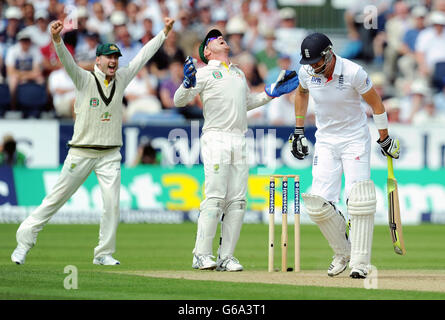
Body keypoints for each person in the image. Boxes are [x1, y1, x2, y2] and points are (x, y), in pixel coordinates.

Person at [11, 17, 175, 265]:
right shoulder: (85, 79)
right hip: (82, 152)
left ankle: (104, 253)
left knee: (112, 205)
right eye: (109, 57)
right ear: (98, 60)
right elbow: (67, 62)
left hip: (110, 154)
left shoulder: (122, 78)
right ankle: (23, 243)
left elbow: (142, 56)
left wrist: (163, 33)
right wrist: (57, 40)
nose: (113, 61)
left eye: (116, 58)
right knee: (54, 200)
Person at [174, 28, 299, 271]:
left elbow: (247, 103)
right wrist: (186, 84)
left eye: (220, 36)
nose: (220, 37)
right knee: (215, 197)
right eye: (213, 39)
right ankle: (201, 254)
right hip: (216, 137)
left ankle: (226, 256)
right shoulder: (204, 73)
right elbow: (180, 100)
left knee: (238, 201)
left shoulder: (239, 73)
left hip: (239, 138)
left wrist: (271, 93)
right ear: (207, 52)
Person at [289, 33, 400, 279]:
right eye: (310, 63)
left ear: (329, 54)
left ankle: (360, 263)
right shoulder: (306, 72)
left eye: (318, 61)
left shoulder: (353, 72)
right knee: (317, 204)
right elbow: (301, 93)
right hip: (326, 141)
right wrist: (298, 131)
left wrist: (384, 137)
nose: (314, 67)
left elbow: (377, 104)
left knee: (358, 200)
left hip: (354, 140)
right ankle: (343, 252)